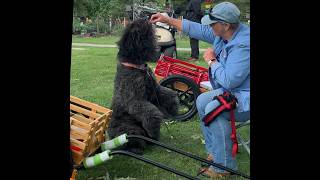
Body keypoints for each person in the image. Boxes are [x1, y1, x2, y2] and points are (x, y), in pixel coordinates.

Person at [150, 1, 250, 178]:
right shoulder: (225, 33)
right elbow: (197, 29)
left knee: (215, 109)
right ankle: (217, 153)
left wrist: (212, 61)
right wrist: (167, 19)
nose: (209, 26)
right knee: (202, 100)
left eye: (212, 23)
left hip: (245, 97)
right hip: (235, 92)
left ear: (225, 25)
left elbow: (229, 80)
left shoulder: (243, 45)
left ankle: (223, 167)